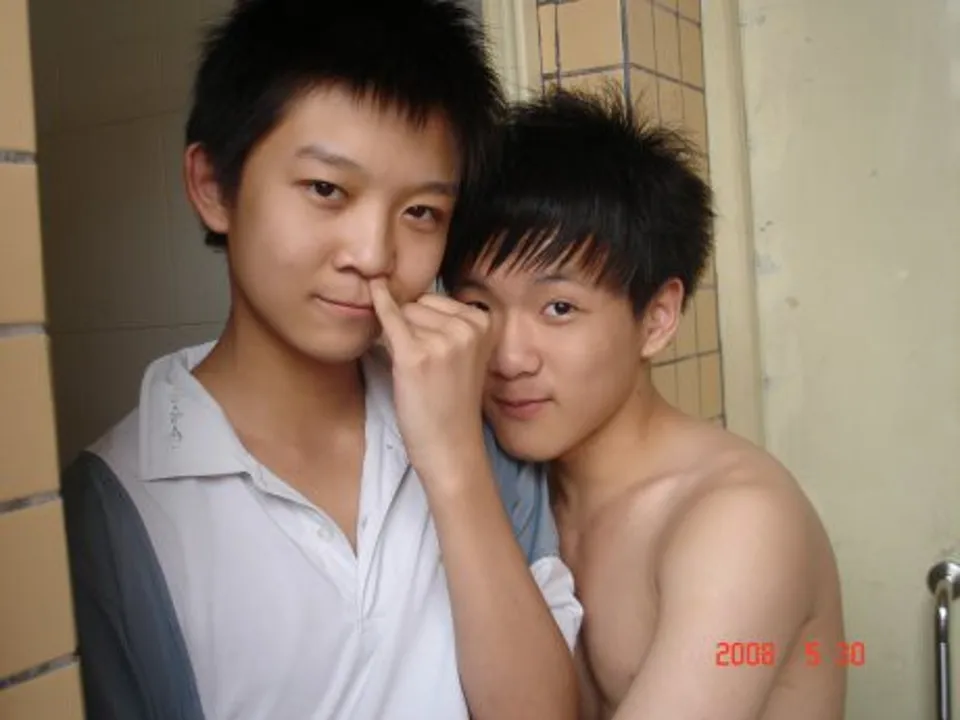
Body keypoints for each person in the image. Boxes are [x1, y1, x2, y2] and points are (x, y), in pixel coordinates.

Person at [60, 2, 581, 719]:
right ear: (213, 187)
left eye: (421, 212)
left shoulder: (476, 420)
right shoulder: (112, 506)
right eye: (327, 190)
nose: (373, 254)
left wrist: (456, 461)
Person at [440, 87, 847, 720]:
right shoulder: (518, 491)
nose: (509, 357)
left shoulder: (738, 522)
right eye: (477, 305)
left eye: (559, 308)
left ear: (656, 319)